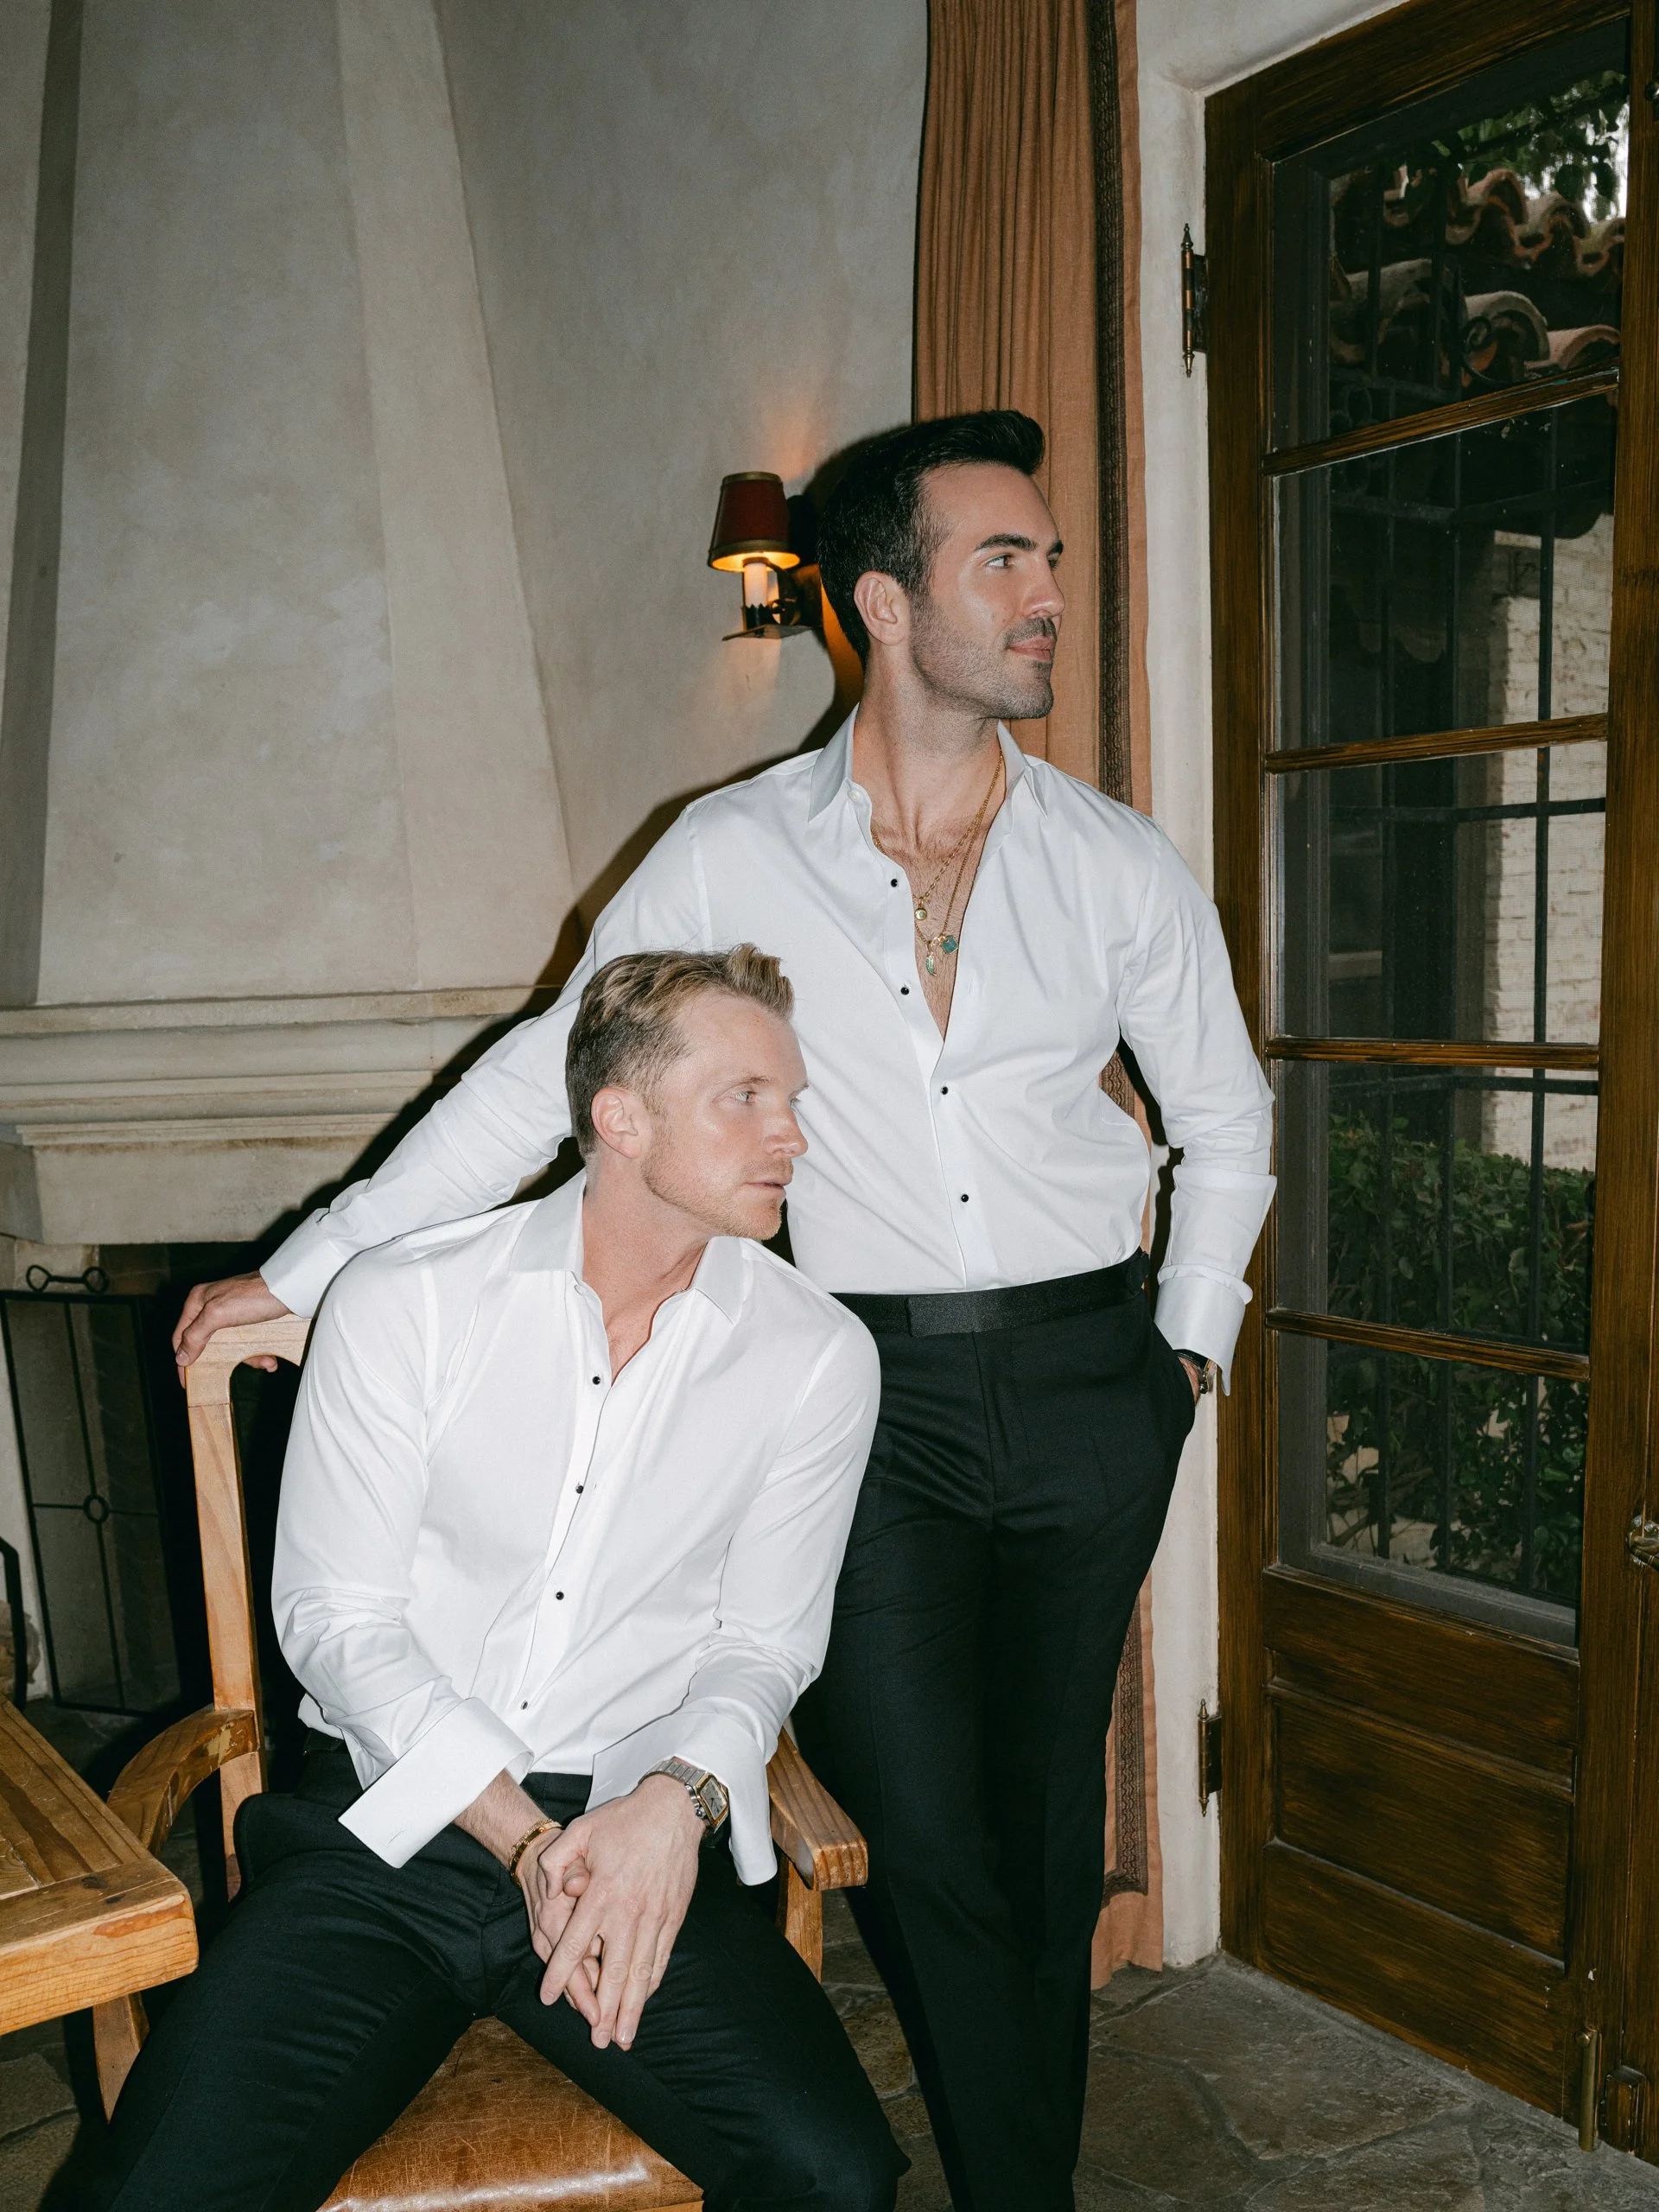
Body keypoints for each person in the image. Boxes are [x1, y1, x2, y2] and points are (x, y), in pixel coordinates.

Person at [174, 410, 1274, 2212]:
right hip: (872, 1393)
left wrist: (1183, 1350)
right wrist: (307, 1268)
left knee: (1050, 1830)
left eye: (1054, 558)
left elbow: (1225, 1116)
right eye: (1007, 558)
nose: (1051, 592)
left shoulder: (1118, 861)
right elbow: (547, 1078)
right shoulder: (726, 846)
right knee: (930, 1832)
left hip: (1093, 1375)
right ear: (881, 604)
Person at [98, 950, 899, 2212]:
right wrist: (524, 1839)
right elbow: (335, 1623)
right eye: (746, 1098)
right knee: (165, 2191)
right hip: (388, 1830)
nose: (794, 1134)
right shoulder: (405, 1304)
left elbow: (766, 1644)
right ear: (619, 1118)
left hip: (636, 1838)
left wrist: (672, 1808)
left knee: (835, 2174)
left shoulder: (818, 1356)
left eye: (793, 1099)